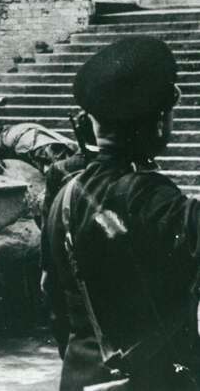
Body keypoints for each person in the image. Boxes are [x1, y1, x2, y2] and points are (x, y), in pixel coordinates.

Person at [43, 35, 200, 391]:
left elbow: (55, 306)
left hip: (82, 377)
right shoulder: (153, 198)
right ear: (160, 122)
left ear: (94, 124)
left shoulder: (64, 197)